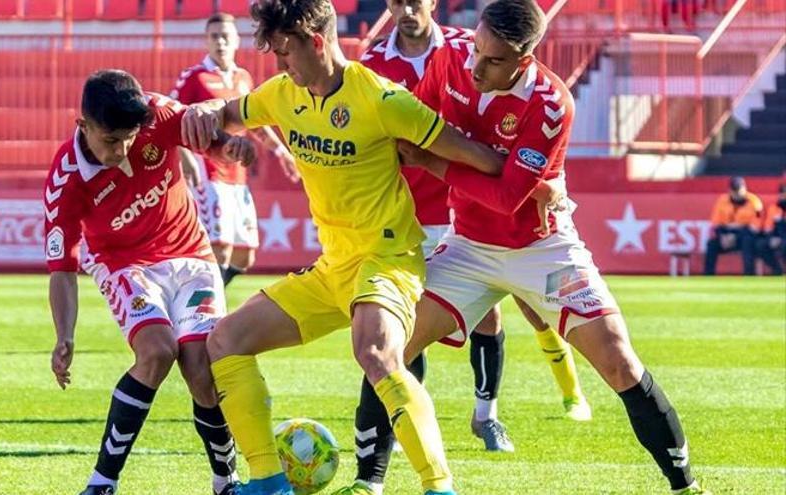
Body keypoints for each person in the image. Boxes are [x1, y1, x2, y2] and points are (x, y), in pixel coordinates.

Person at [339, 1, 710, 494]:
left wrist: (438, 166)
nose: (475, 67)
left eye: (492, 61)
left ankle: (686, 486)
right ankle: (369, 484)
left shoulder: (550, 103)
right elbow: (417, 124)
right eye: (476, 50)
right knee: (389, 349)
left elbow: (509, 197)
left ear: (524, 58)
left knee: (619, 359)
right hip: (469, 246)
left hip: (543, 249)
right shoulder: (450, 56)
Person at [180, 0, 524, 492]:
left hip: (388, 260)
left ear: (316, 43)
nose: (280, 65)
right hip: (333, 268)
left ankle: (439, 486)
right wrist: (206, 111)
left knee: (377, 351)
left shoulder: (382, 99)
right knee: (225, 341)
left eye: (285, 53)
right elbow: (229, 114)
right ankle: (269, 481)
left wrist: (534, 177)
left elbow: (472, 155)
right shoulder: (281, 94)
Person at [353, 1, 590, 484]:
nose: (405, 10)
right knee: (405, 322)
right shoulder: (372, 62)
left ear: (432, 4)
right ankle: (399, 426)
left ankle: (487, 415)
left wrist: (541, 180)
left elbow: (499, 150)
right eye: (396, 2)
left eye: (414, 1)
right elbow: (387, 133)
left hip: (461, 210)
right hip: (405, 211)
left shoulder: (462, 50)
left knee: (494, 312)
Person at [45, 69, 256, 495]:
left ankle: (225, 481)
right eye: (110, 140)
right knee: (157, 352)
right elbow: (63, 269)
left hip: (191, 255)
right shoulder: (65, 181)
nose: (121, 149)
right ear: (82, 125)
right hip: (126, 266)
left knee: (202, 369)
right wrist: (63, 335)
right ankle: (103, 482)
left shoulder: (157, 114)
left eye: (128, 137)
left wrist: (232, 149)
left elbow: (211, 138)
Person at [171, 12, 299, 287]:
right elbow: (173, 120)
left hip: (237, 176)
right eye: (214, 36)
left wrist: (283, 153)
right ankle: (204, 311)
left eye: (225, 36)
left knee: (245, 256)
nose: (220, 42)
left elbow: (256, 125)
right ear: (207, 41)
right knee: (220, 249)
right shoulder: (195, 77)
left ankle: (199, 296)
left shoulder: (243, 78)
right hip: (209, 173)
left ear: (236, 41)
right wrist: (187, 160)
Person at [703, 176, 764, 275]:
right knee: (712, 243)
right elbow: (715, 223)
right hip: (726, 235)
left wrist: (735, 236)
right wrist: (723, 236)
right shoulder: (722, 201)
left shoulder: (755, 202)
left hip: (744, 236)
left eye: (739, 190)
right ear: (730, 190)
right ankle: (708, 276)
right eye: (734, 191)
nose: (737, 194)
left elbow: (755, 228)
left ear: (745, 189)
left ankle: (749, 276)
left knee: (748, 242)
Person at [756, 183, 786, 275]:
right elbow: (767, 228)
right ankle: (777, 269)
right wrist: (771, 238)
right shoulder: (773, 208)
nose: (783, 196)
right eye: (782, 193)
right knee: (760, 245)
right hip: (775, 237)